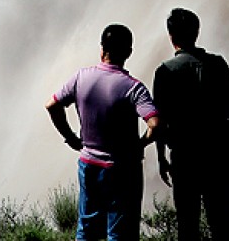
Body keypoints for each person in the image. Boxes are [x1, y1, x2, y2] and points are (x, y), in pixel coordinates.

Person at [152, 8, 229, 241]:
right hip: (217, 157)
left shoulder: (165, 71)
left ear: (171, 36)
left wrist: (161, 158)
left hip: (184, 158)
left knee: (187, 226)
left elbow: (159, 120)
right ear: (197, 32)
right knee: (223, 226)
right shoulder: (218, 64)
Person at [46, 23, 161, 241]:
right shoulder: (133, 88)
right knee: (120, 233)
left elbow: (52, 105)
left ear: (102, 49)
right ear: (128, 52)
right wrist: (141, 143)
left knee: (87, 228)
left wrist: (70, 137)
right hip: (122, 169)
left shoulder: (81, 77)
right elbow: (154, 125)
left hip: (88, 164)